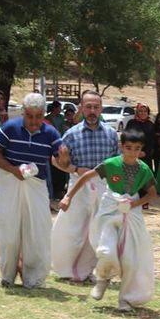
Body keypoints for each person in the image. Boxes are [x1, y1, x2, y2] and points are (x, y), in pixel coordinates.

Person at [59, 129, 156, 311]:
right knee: (106, 250)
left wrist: (134, 204)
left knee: (130, 259)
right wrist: (68, 197)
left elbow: (152, 194)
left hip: (131, 213)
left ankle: (125, 299)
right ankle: (102, 278)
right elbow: (86, 176)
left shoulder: (143, 169)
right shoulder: (111, 164)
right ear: (121, 147)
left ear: (141, 150)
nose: (132, 152)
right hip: (109, 208)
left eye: (137, 149)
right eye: (128, 148)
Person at [0, 92, 64, 288]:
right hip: (10, 181)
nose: (33, 121)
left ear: (44, 115)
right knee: (9, 229)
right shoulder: (10, 128)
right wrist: (13, 170)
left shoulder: (50, 133)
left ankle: (34, 278)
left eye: (38, 116)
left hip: (36, 184)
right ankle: (7, 275)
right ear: (23, 113)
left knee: (37, 230)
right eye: (30, 116)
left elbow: (60, 159)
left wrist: (64, 156)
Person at [51, 90, 119, 283]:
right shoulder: (71, 135)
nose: (92, 111)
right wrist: (73, 168)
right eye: (88, 107)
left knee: (100, 229)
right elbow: (56, 161)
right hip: (78, 187)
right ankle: (66, 270)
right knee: (72, 229)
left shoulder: (111, 134)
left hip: (104, 187)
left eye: (96, 107)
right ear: (81, 108)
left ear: (101, 109)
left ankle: (93, 270)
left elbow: (117, 163)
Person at [125, 103, 155, 172]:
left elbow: (152, 141)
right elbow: (126, 137)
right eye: (140, 111)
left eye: (145, 111)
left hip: (145, 155)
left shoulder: (150, 125)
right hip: (132, 154)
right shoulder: (131, 123)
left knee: (144, 178)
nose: (143, 113)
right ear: (137, 112)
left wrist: (145, 152)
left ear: (148, 113)